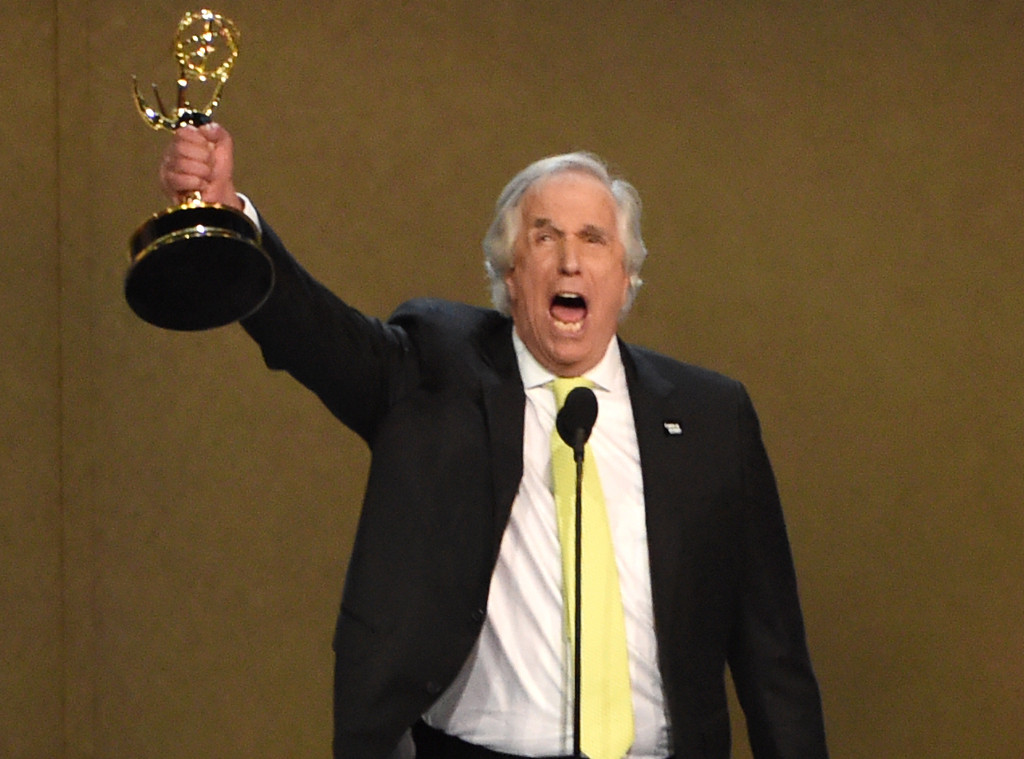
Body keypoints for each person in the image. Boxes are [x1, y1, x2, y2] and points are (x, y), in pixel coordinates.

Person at [158, 123, 829, 759]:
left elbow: (774, 658)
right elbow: (311, 331)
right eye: (545, 238)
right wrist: (228, 218)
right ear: (510, 275)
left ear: (625, 278)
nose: (570, 259)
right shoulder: (433, 372)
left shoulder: (712, 417)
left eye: (594, 239)